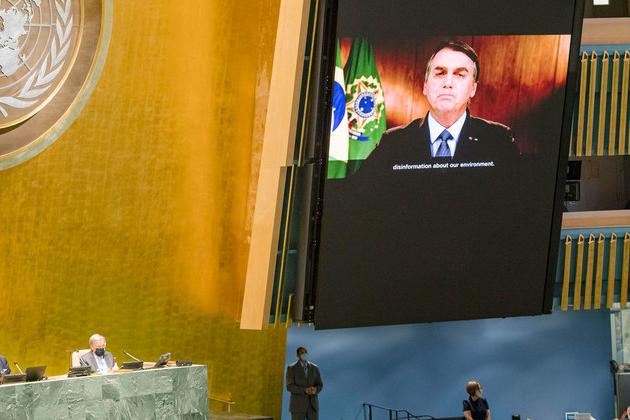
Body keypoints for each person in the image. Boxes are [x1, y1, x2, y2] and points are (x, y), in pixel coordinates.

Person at [362, 40, 518, 173]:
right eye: (440, 73)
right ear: (425, 86)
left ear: (473, 88)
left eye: (459, 74)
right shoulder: (393, 142)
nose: (447, 83)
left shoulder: (498, 139)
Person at [286, 346, 323, 420]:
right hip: (298, 407)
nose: (304, 354)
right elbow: (289, 387)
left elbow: (320, 385)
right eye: (302, 352)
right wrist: (304, 390)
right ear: (297, 355)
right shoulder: (291, 368)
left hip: (312, 406)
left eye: (306, 352)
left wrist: (315, 389)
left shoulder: (315, 368)